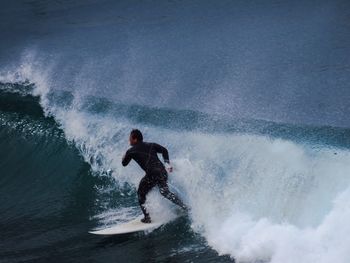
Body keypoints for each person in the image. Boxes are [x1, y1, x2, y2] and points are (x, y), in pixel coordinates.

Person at [122, 129, 187, 223]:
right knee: (165, 192)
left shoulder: (130, 151)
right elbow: (164, 150)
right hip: (162, 171)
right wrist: (167, 163)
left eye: (130, 139)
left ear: (135, 139)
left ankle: (147, 217)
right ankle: (184, 206)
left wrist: (124, 155)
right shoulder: (151, 144)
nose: (129, 141)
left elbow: (124, 163)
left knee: (141, 193)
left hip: (152, 174)